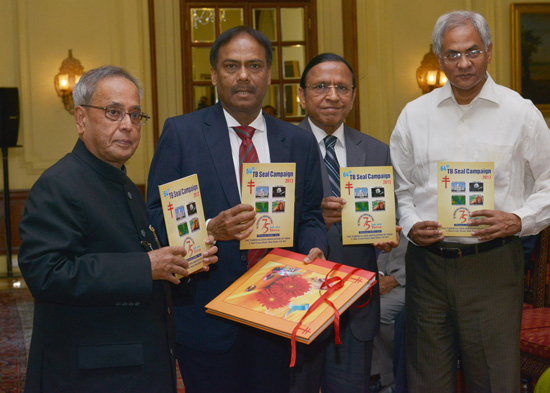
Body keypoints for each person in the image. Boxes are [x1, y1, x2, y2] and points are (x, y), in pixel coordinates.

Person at [147, 26, 328, 393]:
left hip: (278, 314)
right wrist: (210, 229)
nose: (243, 75)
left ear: (268, 74)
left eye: (254, 66)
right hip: (206, 316)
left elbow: (310, 214)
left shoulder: (297, 140)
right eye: (231, 66)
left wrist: (315, 247)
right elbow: (154, 219)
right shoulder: (182, 134)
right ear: (214, 74)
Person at [17, 66, 218, 393]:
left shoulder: (122, 183)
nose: (127, 125)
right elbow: (46, 273)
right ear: (81, 119)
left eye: (135, 115)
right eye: (114, 113)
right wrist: (147, 267)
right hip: (90, 377)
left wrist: (186, 259)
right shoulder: (59, 184)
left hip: (135, 369)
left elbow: (140, 260)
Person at [390, 10, 550, 392]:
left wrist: (519, 219)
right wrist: (411, 223)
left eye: (473, 51)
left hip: (492, 265)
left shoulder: (520, 113)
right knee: (426, 379)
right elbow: (401, 187)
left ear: (489, 51)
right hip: (427, 267)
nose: (463, 63)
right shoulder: (414, 115)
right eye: (453, 54)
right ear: (439, 57)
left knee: (495, 379)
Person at [290, 52, 399, 393]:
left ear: (353, 95)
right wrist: (310, 217)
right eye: (321, 86)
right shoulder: (280, 148)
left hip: (357, 310)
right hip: (298, 304)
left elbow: (385, 216)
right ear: (301, 95)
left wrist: (386, 235)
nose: (332, 95)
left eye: (342, 87)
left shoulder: (377, 152)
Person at [371, 238, 407, 393]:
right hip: (388, 279)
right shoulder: (394, 216)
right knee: (360, 307)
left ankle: (390, 378)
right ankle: (375, 374)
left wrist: (394, 280)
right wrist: (378, 274)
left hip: (412, 282)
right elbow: (385, 251)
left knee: (379, 312)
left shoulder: (422, 220)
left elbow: (425, 258)